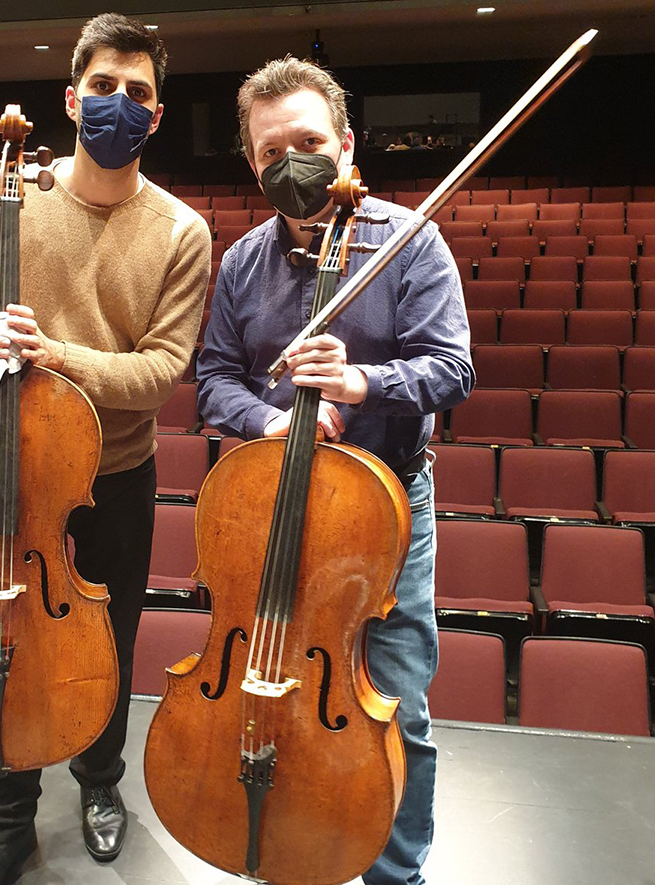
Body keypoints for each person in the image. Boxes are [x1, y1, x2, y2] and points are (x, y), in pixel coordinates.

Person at [0, 13, 212, 885]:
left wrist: (55, 354)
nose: (117, 103)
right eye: (102, 87)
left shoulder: (179, 231)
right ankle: (4, 814)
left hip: (115, 472)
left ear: (156, 117)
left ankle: (99, 781)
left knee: (107, 644)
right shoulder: (1, 195)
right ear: (71, 97)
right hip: (2, 469)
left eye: (137, 93)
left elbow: (161, 371)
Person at [196, 57, 474, 885]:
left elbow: (452, 368)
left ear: (347, 144)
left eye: (311, 142)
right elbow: (215, 377)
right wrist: (273, 419)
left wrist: (363, 382)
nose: (294, 164)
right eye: (272, 150)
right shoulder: (244, 261)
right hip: (274, 503)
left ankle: (395, 873)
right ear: (252, 162)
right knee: (267, 687)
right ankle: (284, 851)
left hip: (386, 508)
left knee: (395, 708)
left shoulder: (409, 241)